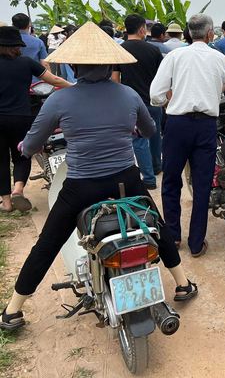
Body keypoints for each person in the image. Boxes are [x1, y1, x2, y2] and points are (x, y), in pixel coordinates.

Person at [0, 22, 198, 332]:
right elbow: (148, 131)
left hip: (81, 187)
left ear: (74, 66)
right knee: (155, 225)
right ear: (110, 64)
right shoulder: (128, 95)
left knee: (48, 243)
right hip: (126, 181)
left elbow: (34, 143)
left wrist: (25, 147)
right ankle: (182, 283)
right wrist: (130, 128)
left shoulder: (59, 100)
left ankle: (13, 310)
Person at [150, 14, 225, 257]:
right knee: (203, 182)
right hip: (206, 126)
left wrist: (167, 103)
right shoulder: (218, 58)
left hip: (176, 125)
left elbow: (156, 94)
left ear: (188, 32)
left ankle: (173, 237)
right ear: (209, 34)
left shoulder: (174, 56)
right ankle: (196, 243)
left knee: (171, 180)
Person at [0, 26, 71, 213]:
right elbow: (55, 80)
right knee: (22, 155)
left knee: (1, 159)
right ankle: (18, 190)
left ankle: (6, 203)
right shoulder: (26, 63)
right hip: (21, 116)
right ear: (17, 46)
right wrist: (75, 87)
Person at [112, 14, 163, 187]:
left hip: (130, 102)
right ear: (142, 29)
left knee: (139, 139)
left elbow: (115, 78)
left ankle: (148, 177)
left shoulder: (119, 50)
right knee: (155, 135)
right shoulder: (153, 50)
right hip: (153, 101)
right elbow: (161, 78)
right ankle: (157, 166)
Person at [12, 13, 49, 81]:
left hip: (12, 80)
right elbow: (45, 63)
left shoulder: (7, 42)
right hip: (34, 81)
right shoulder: (38, 42)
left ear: (13, 25)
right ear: (29, 24)